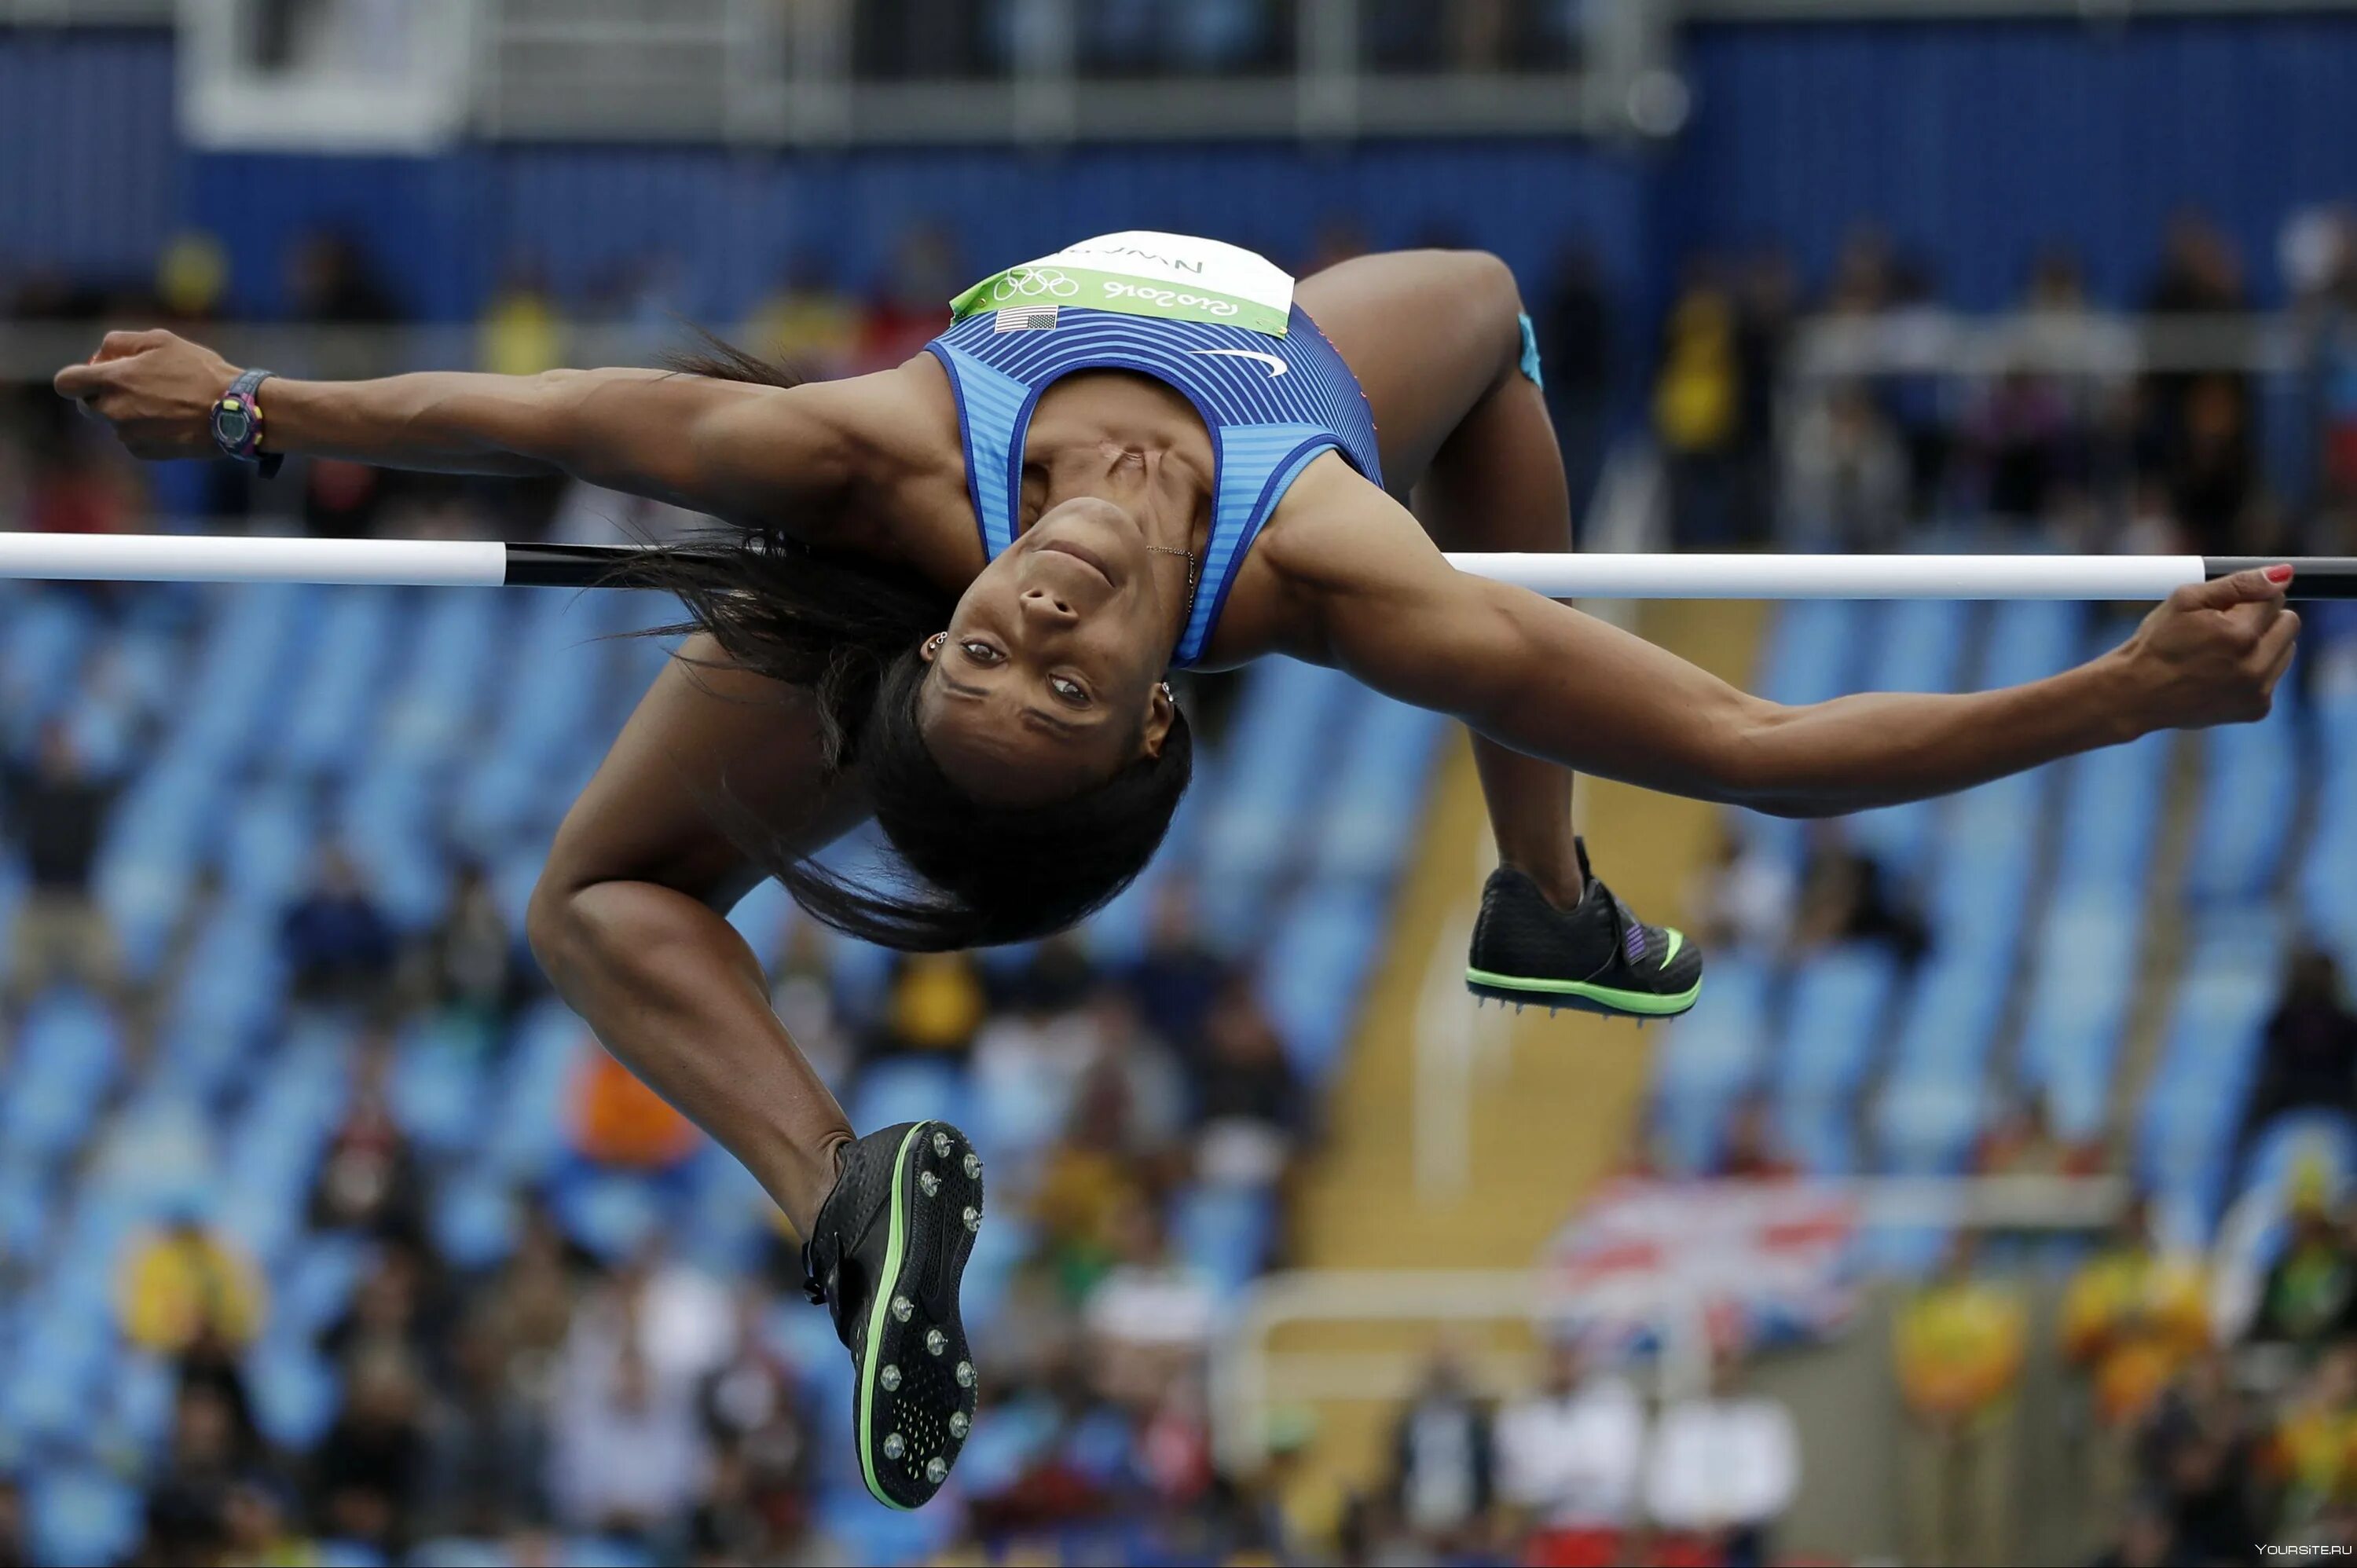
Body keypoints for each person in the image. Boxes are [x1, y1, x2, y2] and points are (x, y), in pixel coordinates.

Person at [61, 231, 2302, 1508]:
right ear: (1159, 707)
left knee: (1505, 318)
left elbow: (544, 421)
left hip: (1009, 499)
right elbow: (1762, 744)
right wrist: (2122, 688)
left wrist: (255, 401)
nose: (1038, 602)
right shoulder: (1328, 562)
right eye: (1059, 660)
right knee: (587, 897)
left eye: (994, 639)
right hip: (1290, 364)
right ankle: (848, 1190)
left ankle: (1537, 901)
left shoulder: (879, 474)